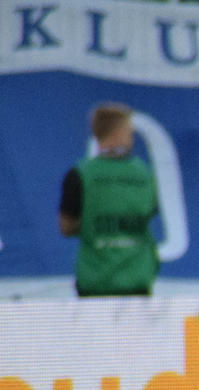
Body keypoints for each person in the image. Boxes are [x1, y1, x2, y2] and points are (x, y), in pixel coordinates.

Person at [58, 104, 159, 299]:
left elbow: (66, 227)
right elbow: (149, 211)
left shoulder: (80, 173)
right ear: (121, 132)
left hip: (95, 282)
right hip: (137, 279)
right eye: (129, 131)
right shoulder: (144, 173)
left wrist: (96, 225)